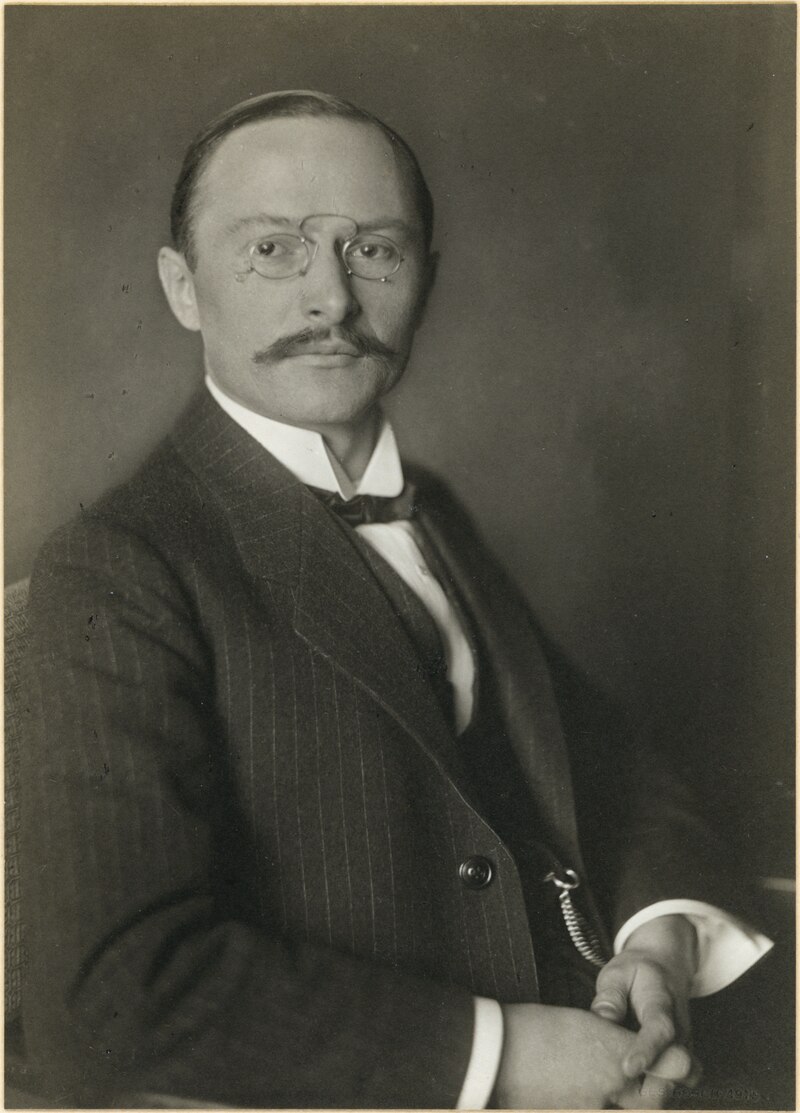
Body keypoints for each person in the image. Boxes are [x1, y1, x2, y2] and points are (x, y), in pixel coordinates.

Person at [20, 90, 772, 1109]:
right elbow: (112, 994)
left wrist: (660, 942)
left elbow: (604, 763)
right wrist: (505, 1059)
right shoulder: (124, 564)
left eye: (373, 250)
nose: (331, 300)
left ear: (426, 278)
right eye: (273, 250)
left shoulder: (435, 511)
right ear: (182, 287)